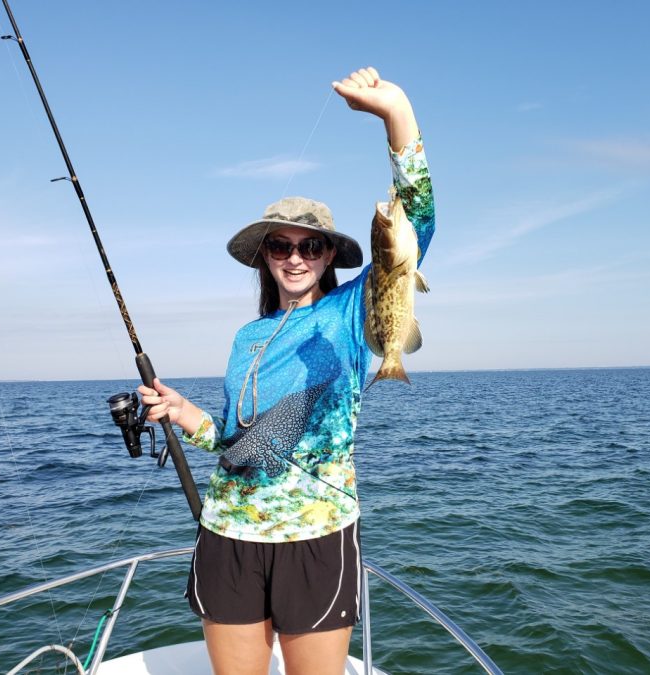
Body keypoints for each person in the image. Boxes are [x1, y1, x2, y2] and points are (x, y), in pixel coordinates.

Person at [137, 66, 434, 675]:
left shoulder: (351, 311)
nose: (295, 257)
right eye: (281, 246)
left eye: (311, 246)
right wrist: (182, 412)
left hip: (315, 535)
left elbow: (418, 222)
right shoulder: (246, 337)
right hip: (229, 533)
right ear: (264, 257)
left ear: (330, 256)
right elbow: (235, 440)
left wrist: (395, 114)